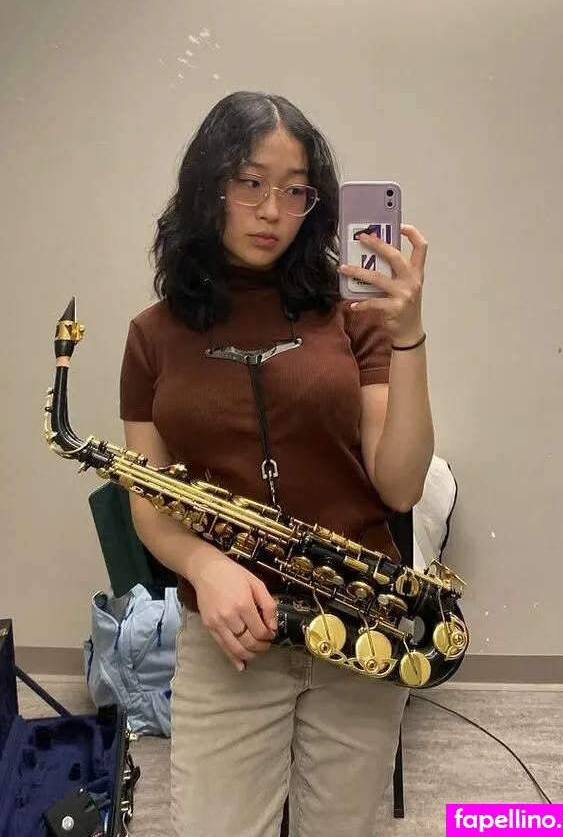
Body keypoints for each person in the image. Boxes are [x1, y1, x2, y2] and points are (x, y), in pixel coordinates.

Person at [119, 90, 434, 837]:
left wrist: (410, 336)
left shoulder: (353, 315)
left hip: (358, 621)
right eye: (250, 183)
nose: (271, 211)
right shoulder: (150, 336)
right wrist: (205, 567)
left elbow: (399, 485)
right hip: (229, 636)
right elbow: (149, 504)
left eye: (295, 191)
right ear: (208, 186)